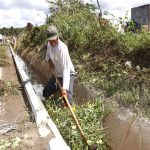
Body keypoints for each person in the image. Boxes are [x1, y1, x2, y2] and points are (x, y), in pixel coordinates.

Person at [43, 25, 75, 106]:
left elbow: (66, 69)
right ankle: (50, 105)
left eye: (53, 40)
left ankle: (68, 109)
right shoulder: (49, 45)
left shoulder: (62, 48)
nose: (51, 42)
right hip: (57, 74)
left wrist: (64, 88)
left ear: (57, 37)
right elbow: (47, 56)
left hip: (68, 74)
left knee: (67, 99)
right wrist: (49, 61)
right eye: (50, 40)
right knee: (46, 91)